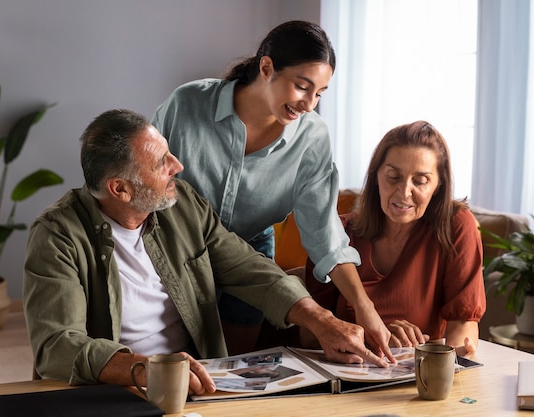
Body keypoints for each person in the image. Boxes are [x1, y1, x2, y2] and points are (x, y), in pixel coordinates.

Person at [22, 109, 389, 395]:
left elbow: (247, 266)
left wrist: (322, 320)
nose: (177, 167)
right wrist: (145, 369)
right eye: (160, 163)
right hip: (117, 390)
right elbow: (57, 345)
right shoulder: (57, 235)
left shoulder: (183, 205)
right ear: (120, 189)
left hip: (200, 383)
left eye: (170, 153)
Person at [151, 20, 393, 360]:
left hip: (251, 260)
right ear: (267, 67)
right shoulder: (187, 105)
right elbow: (144, 180)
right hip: (176, 250)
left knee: (231, 374)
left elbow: (326, 235)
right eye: (301, 86)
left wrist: (364, 306)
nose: (309, 104)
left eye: (319, 93)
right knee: (175, 369)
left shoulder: (311, 138)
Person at [303, 121, 486, 358]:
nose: (404, 192)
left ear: (438, 185)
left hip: (417, 377)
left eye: (420, 181)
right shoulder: (339, 233)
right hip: (347, 376)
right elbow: (309, 335)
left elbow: (463, 322)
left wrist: (452, 357)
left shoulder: (457, 226)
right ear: (376, 176)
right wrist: (377, 336)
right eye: (393, 176)